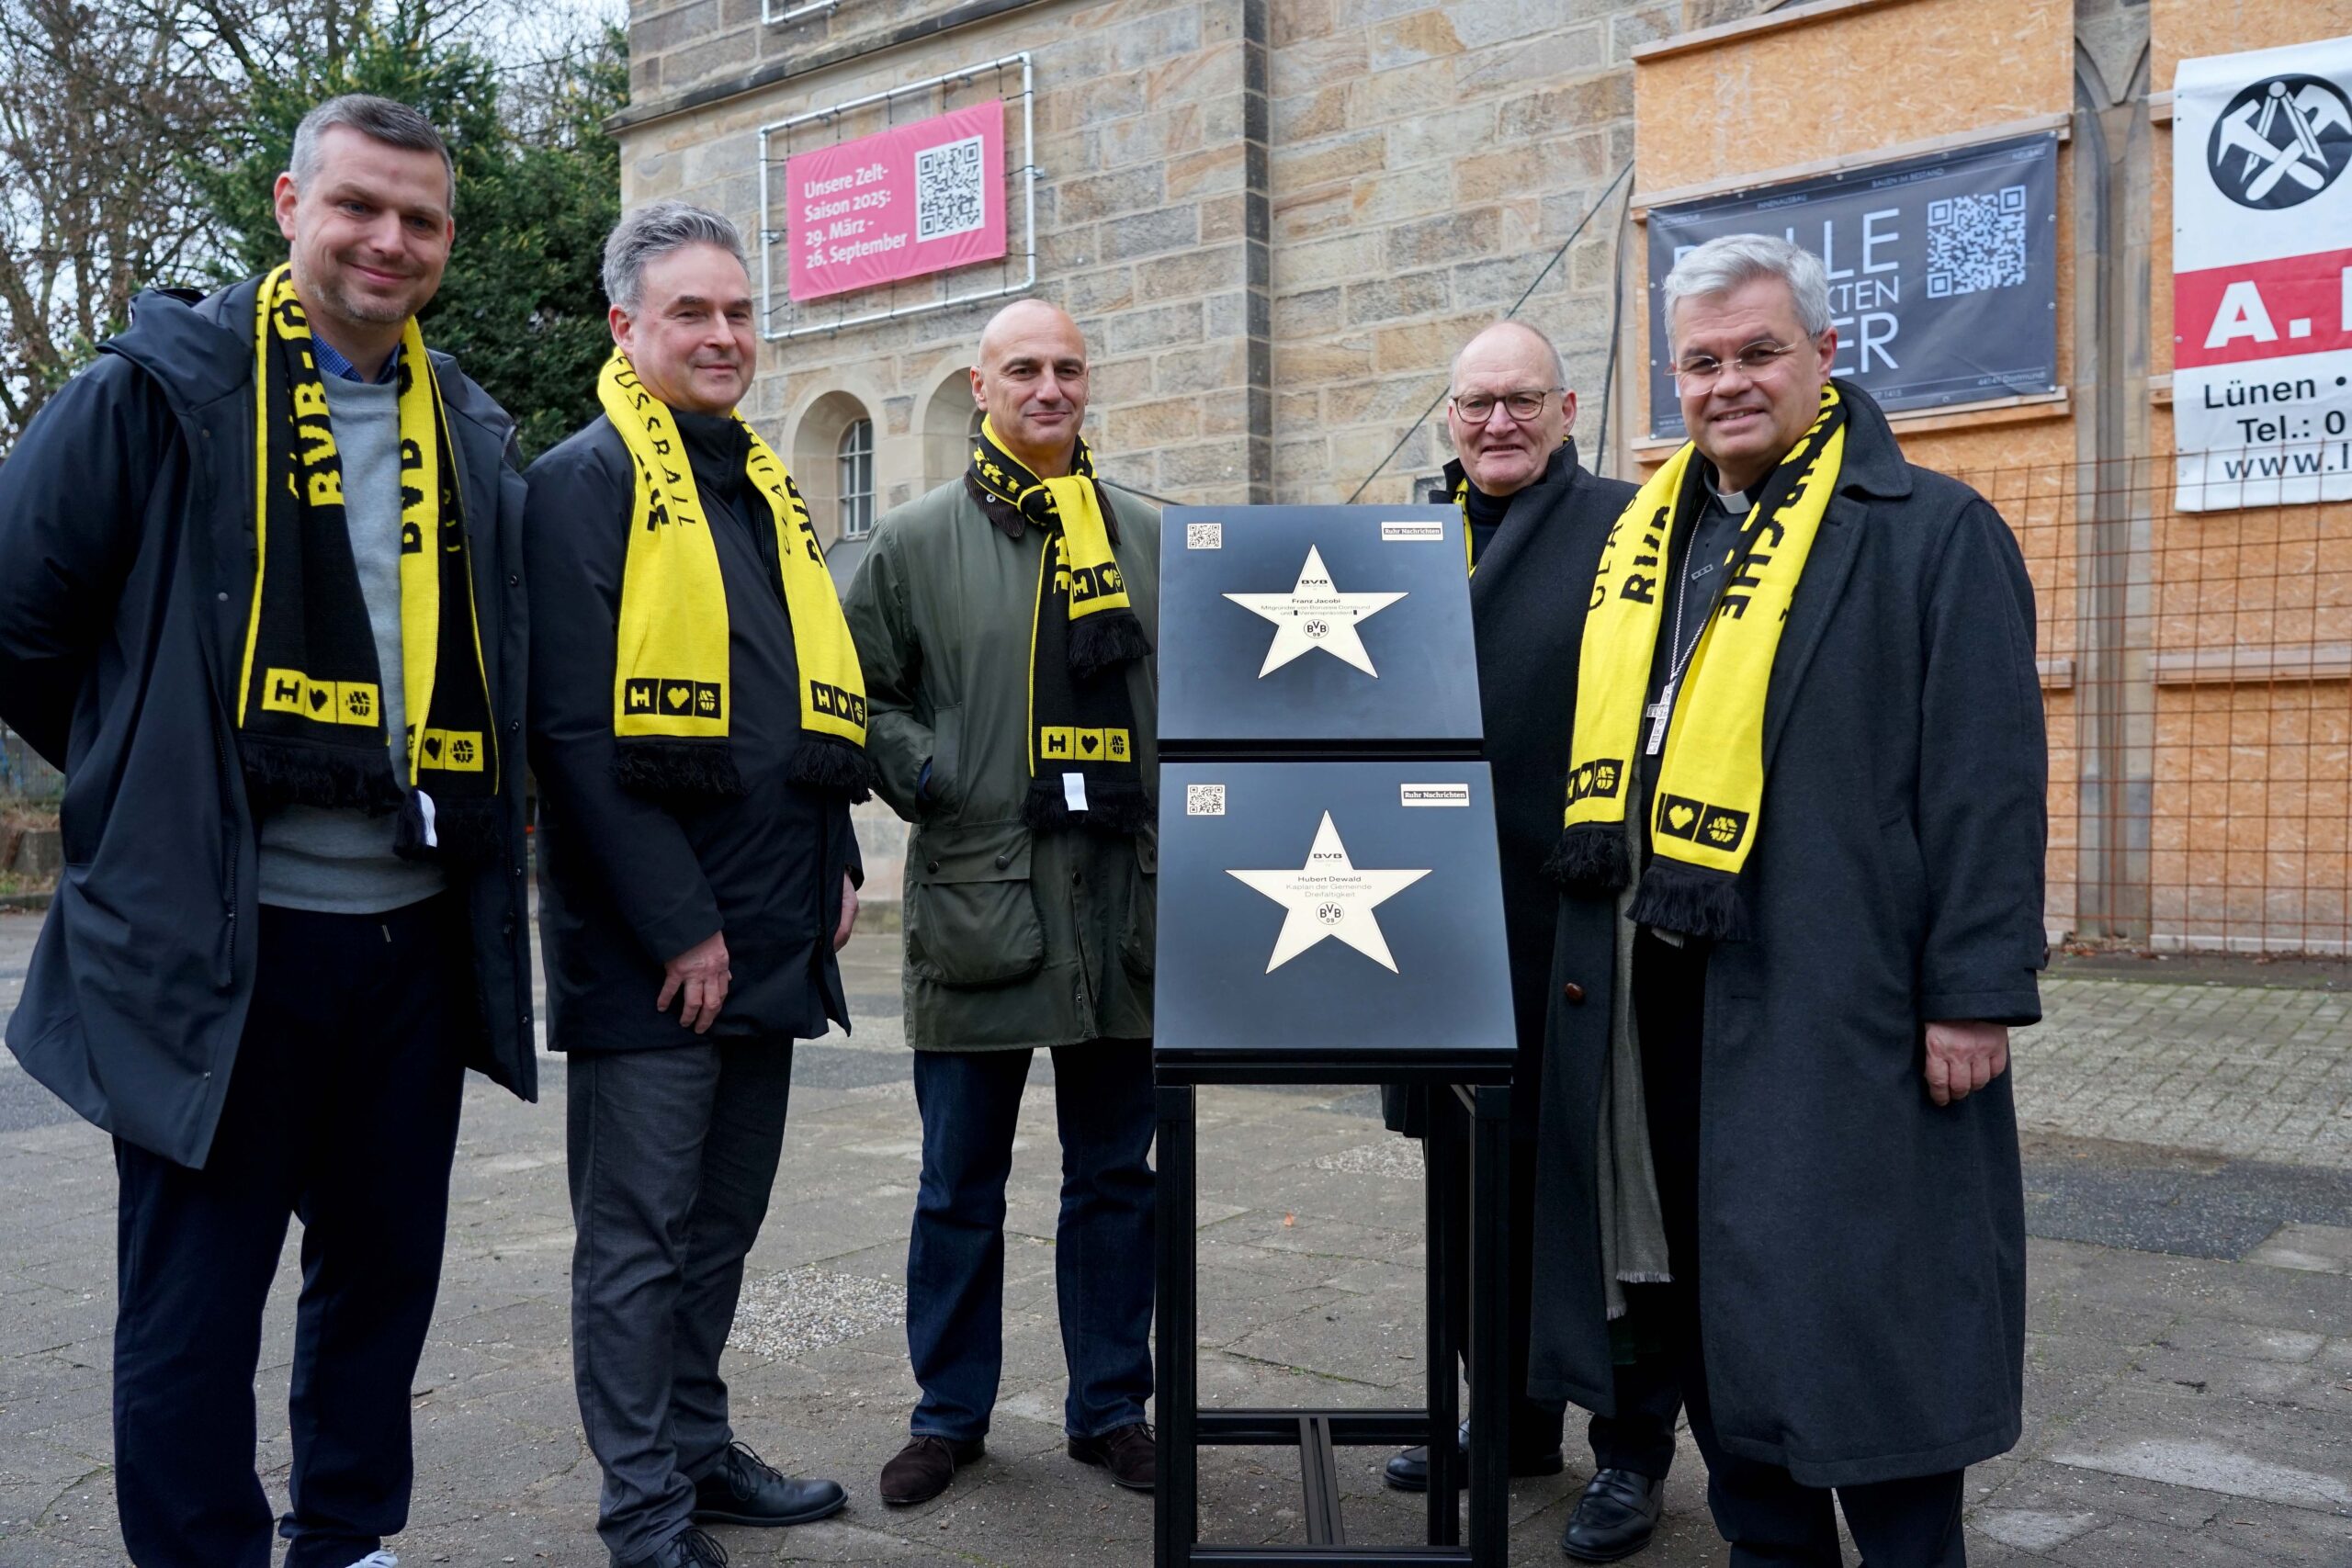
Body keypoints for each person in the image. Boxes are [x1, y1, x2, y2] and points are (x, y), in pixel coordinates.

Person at [0, 96, 537, 1568]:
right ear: (292, 207)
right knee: (195, 1301)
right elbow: (20, 622)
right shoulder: (157, 390)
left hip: (410, 938)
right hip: (218, 940)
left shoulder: (466, 424)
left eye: (421, 218)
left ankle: (347, 1539)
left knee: (382, 1277)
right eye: (359, 205)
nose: (390, 241)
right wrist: (146, 775)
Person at [1527, 232, 2046, 1568]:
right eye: (1700, 362)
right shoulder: (1649, 544)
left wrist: (1974, 994)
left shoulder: (1930, 532)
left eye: (1758, 351)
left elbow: (1987, 779)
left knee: (1869, 1310)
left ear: (1825, 353)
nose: (1728, 383)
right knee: (1718, 1306)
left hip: (1843, 994)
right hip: (1664, 1000)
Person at [523, 201, 868, 1568]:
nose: (723, 335)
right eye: (690, 313)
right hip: (658, 951)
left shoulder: (758, 484)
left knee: (721, 1225)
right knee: (639, 1238)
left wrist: (837, 856)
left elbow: (794, 702)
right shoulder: (586, 481)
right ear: (626, 328)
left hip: (771, 926)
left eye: (737, 311)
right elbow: (575, 736)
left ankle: (696, 1445)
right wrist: (683, 928)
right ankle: (643, 1510)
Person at [842, 299, 1161, 1507]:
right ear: (980, 388)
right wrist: (935, 776)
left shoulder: (1149, 538)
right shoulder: (914, 540)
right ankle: (948, 1416)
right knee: (958, 1184)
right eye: (1023, 368)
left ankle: (1110, 1407)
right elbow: (860, 690)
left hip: (1123, 910)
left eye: (1068, 367)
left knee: (1116, 1179)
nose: (1049, 387)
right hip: (982, 903)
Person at [1377, 321, 1684, 1562]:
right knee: (1471, 1190)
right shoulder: (1412, 541)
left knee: (1601, 1190)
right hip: (1438, 921)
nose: (1496, 422)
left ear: (1567, 409)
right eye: (1475, 404)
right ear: (1448, 417)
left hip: (1579, 921)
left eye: (1521, 400)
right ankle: (1505, 1419)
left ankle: (1633, 1450)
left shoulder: (1632, 529)